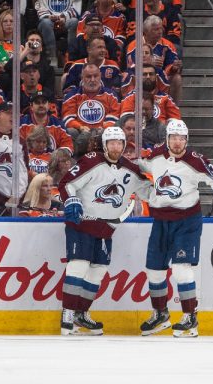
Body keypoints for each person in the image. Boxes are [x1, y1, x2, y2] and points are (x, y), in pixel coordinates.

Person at [137, 119, 213, 338]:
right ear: (167, 139)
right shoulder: (155, 155)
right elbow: (138, 165)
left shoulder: (195, 160)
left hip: (187, 221)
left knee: (182, 268)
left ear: (186, 140)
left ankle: (190, 318)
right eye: (173, 137)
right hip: (161, 220)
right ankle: (160, 314)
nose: (177, 142)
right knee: (154, 270)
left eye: (181, 138)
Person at [58, 127, 152, 335]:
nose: (116, 147)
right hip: (82, 223)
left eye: (119, 143)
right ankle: (68, 315)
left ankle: (81, 313)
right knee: (78, 266)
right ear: (105, 145)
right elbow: (67, 183)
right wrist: (72, 200)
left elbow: (147, 192)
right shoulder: (92, 161)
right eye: (112, 143)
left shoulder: (129, 168)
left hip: (106, 227)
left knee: (98, 271)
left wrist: (167, 187)